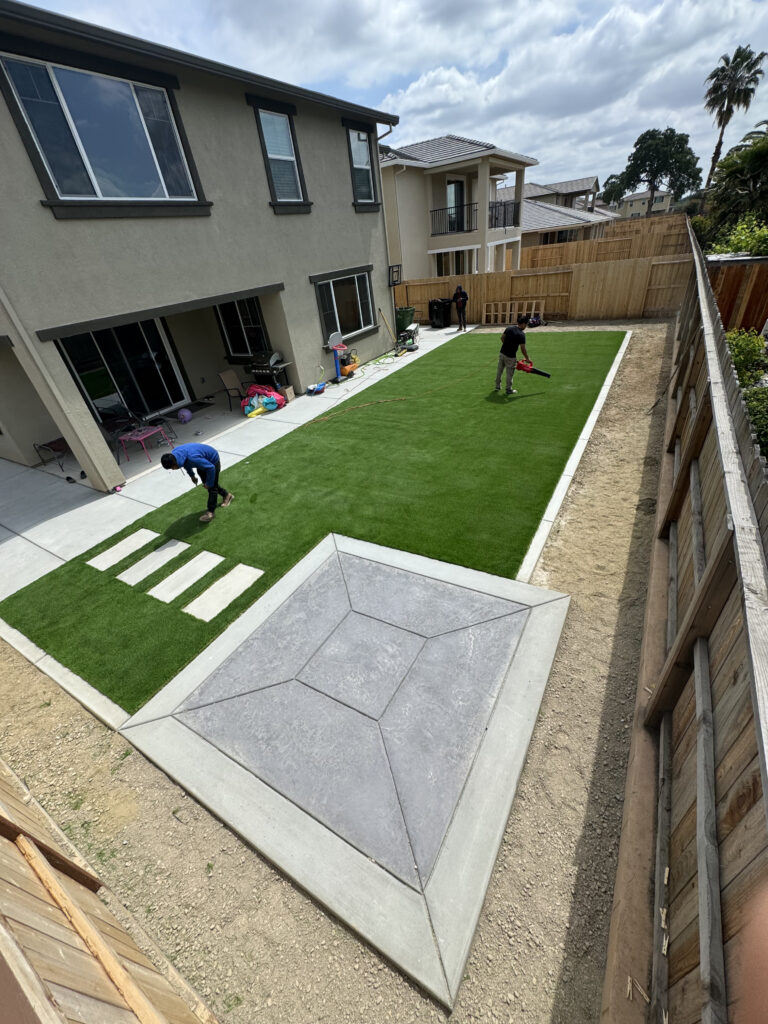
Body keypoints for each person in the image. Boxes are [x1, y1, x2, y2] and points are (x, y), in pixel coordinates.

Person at [161, 443, 233, 523]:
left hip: (212, 461)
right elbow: (186, 464)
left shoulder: (192, 458)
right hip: (202, 462)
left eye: (172, 468)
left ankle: (210, 513)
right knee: (208, 484)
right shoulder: (176, 455)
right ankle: (227, 495)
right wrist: (192, 476)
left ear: (174, 463)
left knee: (212, 488)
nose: (173, 469)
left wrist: (209, 484)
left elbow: (211, 468)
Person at [495, 314, 531, 395]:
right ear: (523, 324)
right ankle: (508, 389)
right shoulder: (521, 334)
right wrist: (527, 358)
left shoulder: (509, 328)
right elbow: (523, 348)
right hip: (511, 357)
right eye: (526, 324)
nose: (526, 326)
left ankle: (497, 386)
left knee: (499, 370)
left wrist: (506, 345)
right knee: (509, 373)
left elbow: (502, 338)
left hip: (502, 353)